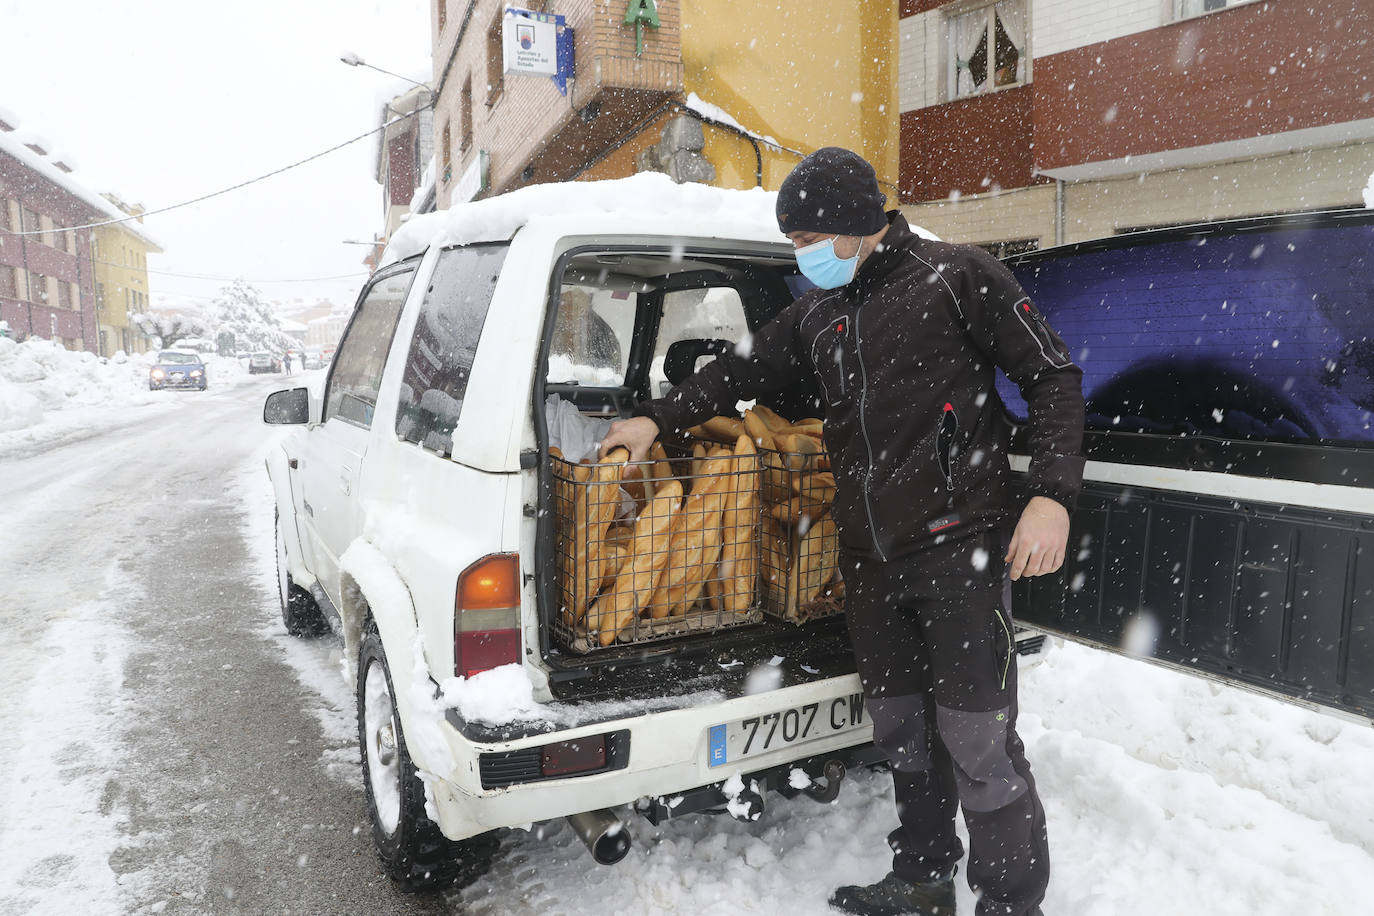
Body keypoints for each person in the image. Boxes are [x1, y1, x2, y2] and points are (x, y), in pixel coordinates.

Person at [600, 147, 1084, 916]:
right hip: (870, 558)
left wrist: (1052, 494)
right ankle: (925, 880)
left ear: (858, 226)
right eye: (792, 242)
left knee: (978, 740)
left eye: (806, 240)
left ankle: (1010, 902)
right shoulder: (820, 313)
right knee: (902, 731)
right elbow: (739, 373)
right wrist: (655, 417)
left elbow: (1052, 375)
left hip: (960, 547)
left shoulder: (957, 278)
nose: (801, 256)